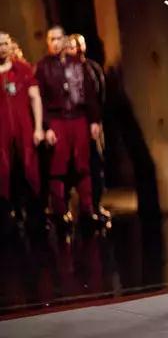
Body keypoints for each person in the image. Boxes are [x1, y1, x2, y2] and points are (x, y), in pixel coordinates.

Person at [35, 26, 101, 231]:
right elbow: (40, 99)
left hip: (79, 117)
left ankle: (87, 210)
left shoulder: (78, 64)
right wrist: (46, 127)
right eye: (52, 39)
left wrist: (94, 121)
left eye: (59, 38)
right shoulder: (43, 67)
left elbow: (89, 92)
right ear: (47, 42)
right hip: (57, 120)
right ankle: (60, 212)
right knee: (57, 167)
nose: (56, 43)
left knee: (83, 166)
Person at [66, 34, 111, 226]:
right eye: (73, 45)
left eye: (80, 44)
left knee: (96, 164)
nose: (77, 49)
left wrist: (96, 120)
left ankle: (95, 205)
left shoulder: (92, 67)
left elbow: (101, 93)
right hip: (72, 125)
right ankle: (76, 207)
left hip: (92, 124)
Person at [0, 32, 44, 227]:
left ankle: (35, 214)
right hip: (2, 131)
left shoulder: (23, 69)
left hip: (23, 128)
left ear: (10, 45)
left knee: (28, 168)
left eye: (5, 43)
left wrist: (38, 127)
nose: (2, 48)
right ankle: (9, 214)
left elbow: (35, 97)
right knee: (4, 171)